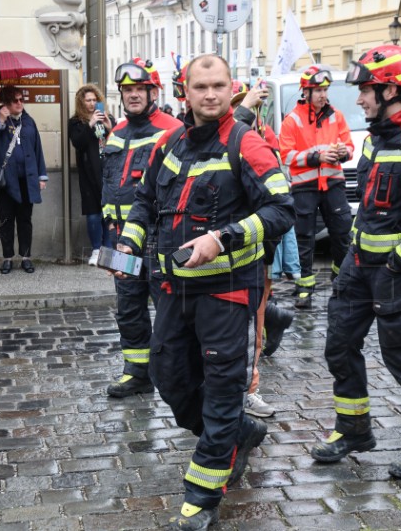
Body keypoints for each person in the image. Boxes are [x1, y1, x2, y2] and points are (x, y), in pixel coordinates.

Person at [117, 54, 295, 529]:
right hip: (173, 290)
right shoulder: (170, 143)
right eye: (201, 87)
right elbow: (145, 201)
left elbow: (282, 209)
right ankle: (240, 432)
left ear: (231, 88)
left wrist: (223, 238)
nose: (210, 95)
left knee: (220, 392)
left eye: (218, 85)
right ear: (185, 92)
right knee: (169, 377)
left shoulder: (247, 143)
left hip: (229, 293)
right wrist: (127, 245)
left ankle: (202, 498)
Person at [312, 45, 401, 480]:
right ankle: (354, 429)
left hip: (396, 273)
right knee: (339, 345)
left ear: (391, 90)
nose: (360, 99)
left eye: (366, 91)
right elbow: (368, 206)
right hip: (359, 266)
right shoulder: (374, 139)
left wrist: (398, 264)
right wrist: (353, 253)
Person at [101, 58, 181, 398]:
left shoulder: (172, 129)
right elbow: (109, 180)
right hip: (120, 238)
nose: (133, 96)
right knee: (127, 306)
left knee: (167, 308)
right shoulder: (117, 131)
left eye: (139, 90)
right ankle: (136, 372)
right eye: (127, 90)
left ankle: (177, 373)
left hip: (157, 238)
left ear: (153, 91)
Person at [230, 80, 295, 418]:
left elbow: (278, 203)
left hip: (255, 253)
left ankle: (249, 390)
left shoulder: (262, 136)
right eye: (238, 103)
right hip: (219, 259)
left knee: (251, 329)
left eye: (247, 104)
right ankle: (274, 316)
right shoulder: (221, 135)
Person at [279, 65, 354, 309]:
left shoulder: (337, 116)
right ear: (306, 92)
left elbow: (350, 146)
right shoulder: (292, 120)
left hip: (333, 184)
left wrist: (344, 152)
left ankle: (340, 278)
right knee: (304, 239)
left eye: (325, 89)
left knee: (343, 233)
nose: (323, 94)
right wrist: (316, 158)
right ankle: (304, 288)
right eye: (318, 90)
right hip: (305, 188)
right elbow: (286, 156)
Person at [0, 86, 48, 274]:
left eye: (21, 99)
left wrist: (41, 177)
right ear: (6, 103)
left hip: (26, 180)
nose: (20, 103)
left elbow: (37, 150)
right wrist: (0, 121)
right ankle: (7, 258)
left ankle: (26, 257)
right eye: (15, 100)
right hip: (5, 182)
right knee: (6, 220)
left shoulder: (28, 121)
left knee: (25, 219)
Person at [69, 84, 113, 265]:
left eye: (95, 100)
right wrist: (91, 124)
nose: (92, 103)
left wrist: (111, 127)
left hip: (108, 172)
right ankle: (96, 249)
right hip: (89, 174)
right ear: (82, 102)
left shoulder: (107, 118)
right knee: (94, 214)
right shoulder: (76, 122)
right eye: (88, 100)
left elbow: (118, 141)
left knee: (108, 213)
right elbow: (78, 142)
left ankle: (109, 251)